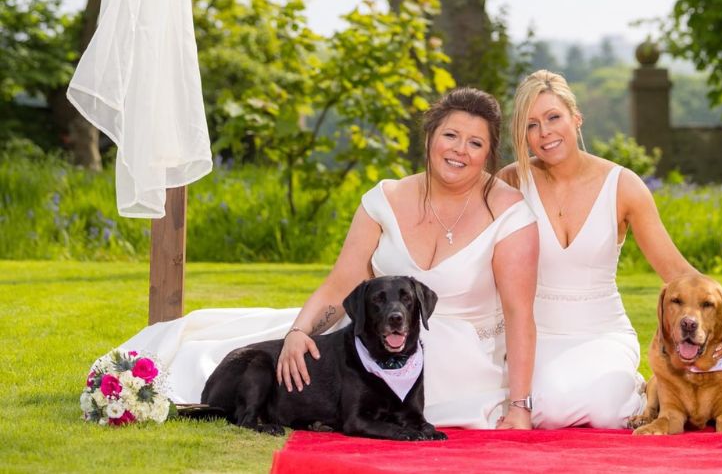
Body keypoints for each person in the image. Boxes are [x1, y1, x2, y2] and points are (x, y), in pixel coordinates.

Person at [122, 88, 539, 430]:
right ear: (430, 136)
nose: (459, 150)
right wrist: (298, 333)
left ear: (489, 153)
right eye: (450, 135)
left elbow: (520, 315)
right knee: (229, 358)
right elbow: (342, 284)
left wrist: (520, 406)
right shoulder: (385, 198)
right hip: (368, 340)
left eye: (475, 143)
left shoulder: (509, 212)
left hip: (461, 356)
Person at [497, 70, 702, 430]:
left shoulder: (623, 185)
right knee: (550, 411)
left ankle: (649, 388)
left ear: (576, 118)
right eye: (531, 125)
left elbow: (676, 272)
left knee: (610, 414)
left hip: (603, 330)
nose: (545, 132)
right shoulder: (512, 182)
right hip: (536, 333)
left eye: (553, 117)